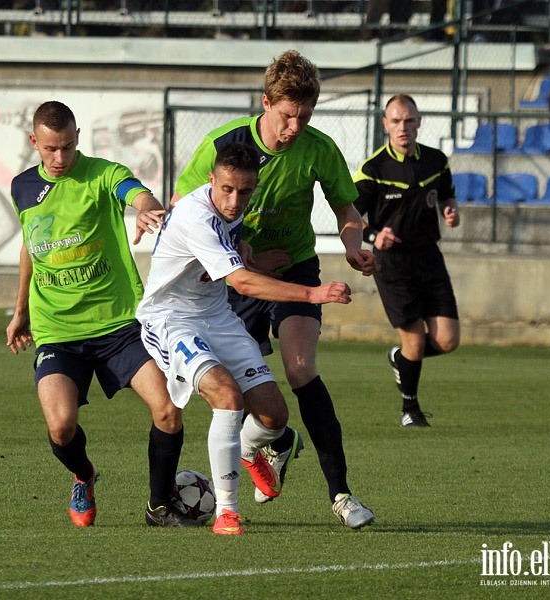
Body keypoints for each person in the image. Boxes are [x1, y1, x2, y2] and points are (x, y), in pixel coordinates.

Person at [172, 50, 375, 529]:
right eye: (287, 116)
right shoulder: (226, 144)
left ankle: (342, 496)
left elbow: (347, 210)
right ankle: (275, 442)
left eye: (305, 116)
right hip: (233, 277)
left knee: (301, 369)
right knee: (237, 393)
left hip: (294, 267)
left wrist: (353, 246)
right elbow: (186, 205)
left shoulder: (319, 148)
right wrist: (242, 255)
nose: (295, 127)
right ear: (266, 102)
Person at [138, 142, 360, 534]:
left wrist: (252, 256)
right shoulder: (197, 216)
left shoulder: (233, 210)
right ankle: (227, 511)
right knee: (226, 396)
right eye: (227, 189)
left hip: (216, 315)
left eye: (244, 191)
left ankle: (243, 447)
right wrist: (312, 293)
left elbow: (235, 255)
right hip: (172, 320)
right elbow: (239, 280)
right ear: (212, 180)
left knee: (275, 416)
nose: (235, 200)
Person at [5, 100, 196, 528]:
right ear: (34, 142)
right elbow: (28, 248)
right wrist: (21, 312)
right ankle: (83, 474)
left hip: (120, 326)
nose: (60, 158)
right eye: (51, 148)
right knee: (61, 427)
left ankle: (159, 506)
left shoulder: (103, 174)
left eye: (68, 148)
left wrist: (145, 207)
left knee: (168, 409)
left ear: (77, 140)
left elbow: (135, 191)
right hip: (57, 330)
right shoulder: (21, 188)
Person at [352, 94, 460, 428]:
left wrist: (450, 209)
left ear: (419, 122)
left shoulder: (436, 160)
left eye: (409, 120)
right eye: (396, 121)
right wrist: (372, 236)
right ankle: (410, 409)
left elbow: (446, 193)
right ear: (385, 124)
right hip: (393, 263)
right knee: (414, 339)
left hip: (430, 257)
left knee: (447, 340)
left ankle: (400, 358)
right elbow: (350, 214)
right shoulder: (373, 169)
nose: (403, 127)